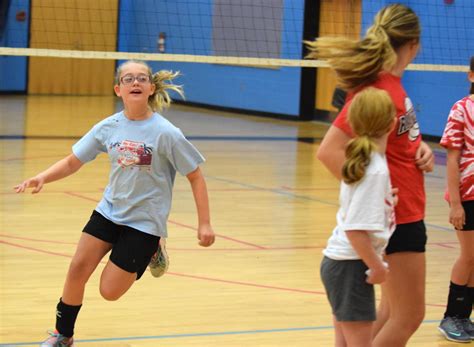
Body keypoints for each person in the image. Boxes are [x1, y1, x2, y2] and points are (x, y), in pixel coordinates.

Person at [14, 59, 216, 347]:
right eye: (128, 78)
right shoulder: (109, 127)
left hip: (145, 222)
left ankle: (153, 248)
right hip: (109, 211)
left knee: (109, 291)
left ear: (151, 88)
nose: (135, 82)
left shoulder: (166, 133)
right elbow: (74, 161)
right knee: (77, 268)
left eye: (142, 78)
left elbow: (196, 176)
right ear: (118, 89)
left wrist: (205, 223)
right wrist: (43, 177)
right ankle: (63, 335)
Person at [306, 4, 435, 346]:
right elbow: (330, 151)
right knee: (410, 315)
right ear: (414, 44)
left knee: (393, 312)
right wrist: (371, 196)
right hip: (400, 215)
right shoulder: (376, 90)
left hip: (404, 211)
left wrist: (418, 149)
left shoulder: (391, 85)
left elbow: (393, 140)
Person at [320, 87, 396, 347]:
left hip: (339, 264)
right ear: (392, 121)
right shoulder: (374, 169)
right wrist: (376, 266)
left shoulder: (363, 160)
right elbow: (355, 230)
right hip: (351, 266)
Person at [437, 56, 474, 343]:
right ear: (471, 76)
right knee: (469, 255)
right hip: (467, 195)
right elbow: (451, 158)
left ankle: (464, 316)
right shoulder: (461, 109)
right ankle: (452, 316)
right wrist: (456, 203)